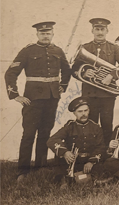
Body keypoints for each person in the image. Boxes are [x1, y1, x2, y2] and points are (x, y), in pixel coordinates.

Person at [5, 21, 72, 182]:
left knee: (45, 134)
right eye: (42, 33)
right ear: (37, 34)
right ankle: (23, 171)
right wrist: (15, 95)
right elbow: (10, 73)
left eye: (48, 33)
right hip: (32, 100)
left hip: (52, 99)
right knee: (28, 135)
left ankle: (40, 167)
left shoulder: (58, 50)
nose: (45, 35)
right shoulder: (28, 51)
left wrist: (62, 85)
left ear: (53, 34)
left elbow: (67, 70)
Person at [71, 18, 119, 145]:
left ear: (107, 30)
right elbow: (74, 69)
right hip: (89, 95)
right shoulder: (85, 47)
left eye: (102, 29)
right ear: (92, 30)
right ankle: (92, 154)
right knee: (90, 125)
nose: (99, 32)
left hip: (107, 96)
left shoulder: (114, 48)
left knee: (106, 125)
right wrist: (84, 73)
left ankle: (104, 156)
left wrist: (111, 76)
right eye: (97, 29)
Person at [47, 97, 106, 187]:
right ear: (74, 113)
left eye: (85, 110)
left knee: (99, 169)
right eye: (80, 111)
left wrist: (91, 161)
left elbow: (100, 147)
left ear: (89, 111)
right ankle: (65, 180)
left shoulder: (96, 127)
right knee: (59, 156)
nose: (83, 114)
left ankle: (87, 179)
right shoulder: (69, 127)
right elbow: (52, 140)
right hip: (73, 160)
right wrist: (65, 152)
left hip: (88, 160)